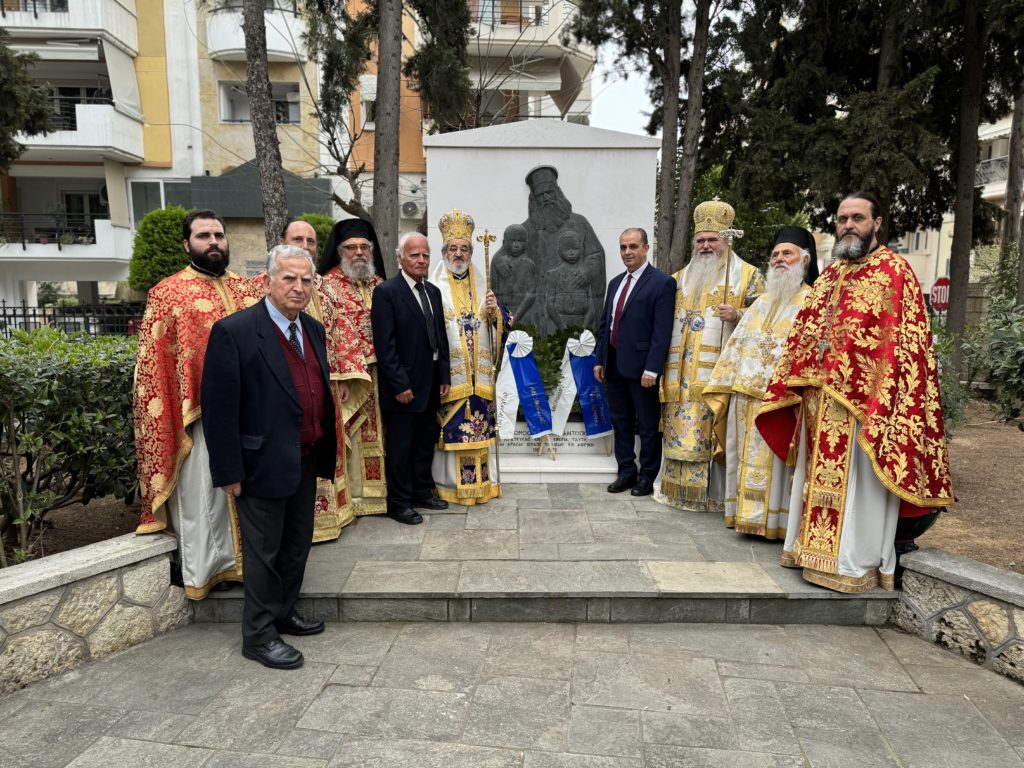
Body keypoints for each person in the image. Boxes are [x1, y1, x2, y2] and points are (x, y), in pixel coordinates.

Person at [756, 193, 953, 593]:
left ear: (876, 223)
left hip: (864, 409)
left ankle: (853, 561)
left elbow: (904, 348)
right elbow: (806, 333)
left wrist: (873, 394)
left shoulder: (894, 272)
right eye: (842, 218)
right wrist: (799, 375)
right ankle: (809, 551)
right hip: (818, 402)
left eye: (857, 218)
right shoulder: (829, 275)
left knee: (859, 489)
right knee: (815, 479)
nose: (848, 225)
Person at [201, 244, 336, 669]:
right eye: (289, 279)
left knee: (296, 547)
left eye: (306, 280)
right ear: (268, 281)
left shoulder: (312, 328)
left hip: (305, 457)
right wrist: (228, 472)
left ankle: (282, 612)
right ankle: (258, 636)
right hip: (259, 466)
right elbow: (219, 409)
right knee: (263, 554)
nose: (298, 288)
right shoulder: (234, 331)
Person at [133, 209, 262, 599]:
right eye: (204, 236)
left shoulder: (248, 289)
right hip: (200, 414)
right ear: (187, 243)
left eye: (219, 235)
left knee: (254, 492)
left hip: (253, 411)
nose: (214, 243)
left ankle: (253, 566)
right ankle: (209, 571)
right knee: (205, 493)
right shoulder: (167, 292)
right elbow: (153, 363)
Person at [702, 227, 818, 539]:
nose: (779, 259)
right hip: (743, 398)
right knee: (742, 462)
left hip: (778, 402)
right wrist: (723, 384)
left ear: (804, 260)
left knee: (776, 466)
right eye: (776, 255)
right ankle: (744, 517)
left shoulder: (812, 302)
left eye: (787, 254)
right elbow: (737, 345)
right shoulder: (762, 302)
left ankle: (774, 524)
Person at [659, 198, 765, 512]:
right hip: (679, 376)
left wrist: (739, 314)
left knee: (715, 433)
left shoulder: (747, 276)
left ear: (726, 240)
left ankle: (716, 497)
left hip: (718, 378)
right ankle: (677, 492)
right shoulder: (678, 279)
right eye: (701, 240)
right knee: (679, 433)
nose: (706, 245)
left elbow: (768, 319)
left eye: (712, 239)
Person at [279, 219, 354, 541]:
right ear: (283, 241)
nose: (306, 246)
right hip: (283, 387)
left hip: (323, 387)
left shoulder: (327, 287)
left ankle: (325, 521)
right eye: (298, 239)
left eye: (311, 241)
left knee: (321, 450)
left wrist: (344, 374)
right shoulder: (261, 284)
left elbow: (339, 334)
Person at [429, 209, 509, 506]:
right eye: (453, 248)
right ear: (445, 251)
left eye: (464, 248)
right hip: (453, 377)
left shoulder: (483, 283)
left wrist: (495, 312)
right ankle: (450, 486)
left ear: (471, 252)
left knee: (478, 430)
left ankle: (481, 486)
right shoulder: (433, 286)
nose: (458, 253)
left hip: (480, 378)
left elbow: (501, 325)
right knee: (451, 432)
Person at [371, 232, 451, 525]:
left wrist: (443, 374)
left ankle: (422, 491)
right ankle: (400, 503)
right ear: (400, 258)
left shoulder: (432, 292)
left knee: (424, 441)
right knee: (401, 447)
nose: (421, 260)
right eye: (414, 255)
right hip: (403, 386)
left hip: (430, 382)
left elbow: (439, 337)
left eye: (425, 255)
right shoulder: (386, 292)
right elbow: (385, 345)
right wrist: (399, 384)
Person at [317, 218, 390, 521]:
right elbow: (327, 333)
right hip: (350, 376)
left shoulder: (380, 284)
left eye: (364, 247)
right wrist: (344, 372)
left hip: (383, 374)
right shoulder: (327, 285)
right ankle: (357, 497)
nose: (358, 252)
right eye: (351, 248)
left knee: (383, 435)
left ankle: (384, 494)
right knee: (354, 434)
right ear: (339, 251)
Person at [594, 228, 676, 496]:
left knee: (648, 425)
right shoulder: (616, 283)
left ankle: (647, 476)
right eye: (623, 247)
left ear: (645, 248)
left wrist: (652, 368)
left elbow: (661, 331)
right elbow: (606, 324)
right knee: (621, 422)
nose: (627, 252)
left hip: (643, 370)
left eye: (633, 246)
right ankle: (626, 472)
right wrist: (600, 359)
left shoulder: (661, 283)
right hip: (614, 365)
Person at [546, 229, 600, 330]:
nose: (571, 253)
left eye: (575, 249)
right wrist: (562, 327)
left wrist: (584, 328)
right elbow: (550, 304)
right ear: (560, 251)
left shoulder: (584, 276)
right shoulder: (554, 274)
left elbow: (591, 307)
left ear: (581, 249)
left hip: (582, 322)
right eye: (567, 249)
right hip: (559, 325)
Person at [491, 223, 538, 327]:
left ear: (526, 243)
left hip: (522, 314)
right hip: (501, 312)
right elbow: (493, 290)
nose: (516, 245)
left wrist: (515, 317)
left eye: (520, 241)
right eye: (513, 241)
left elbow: (531, 294)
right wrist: (500, 311)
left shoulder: (528, 265)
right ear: (504, 243)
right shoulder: (498, 263)